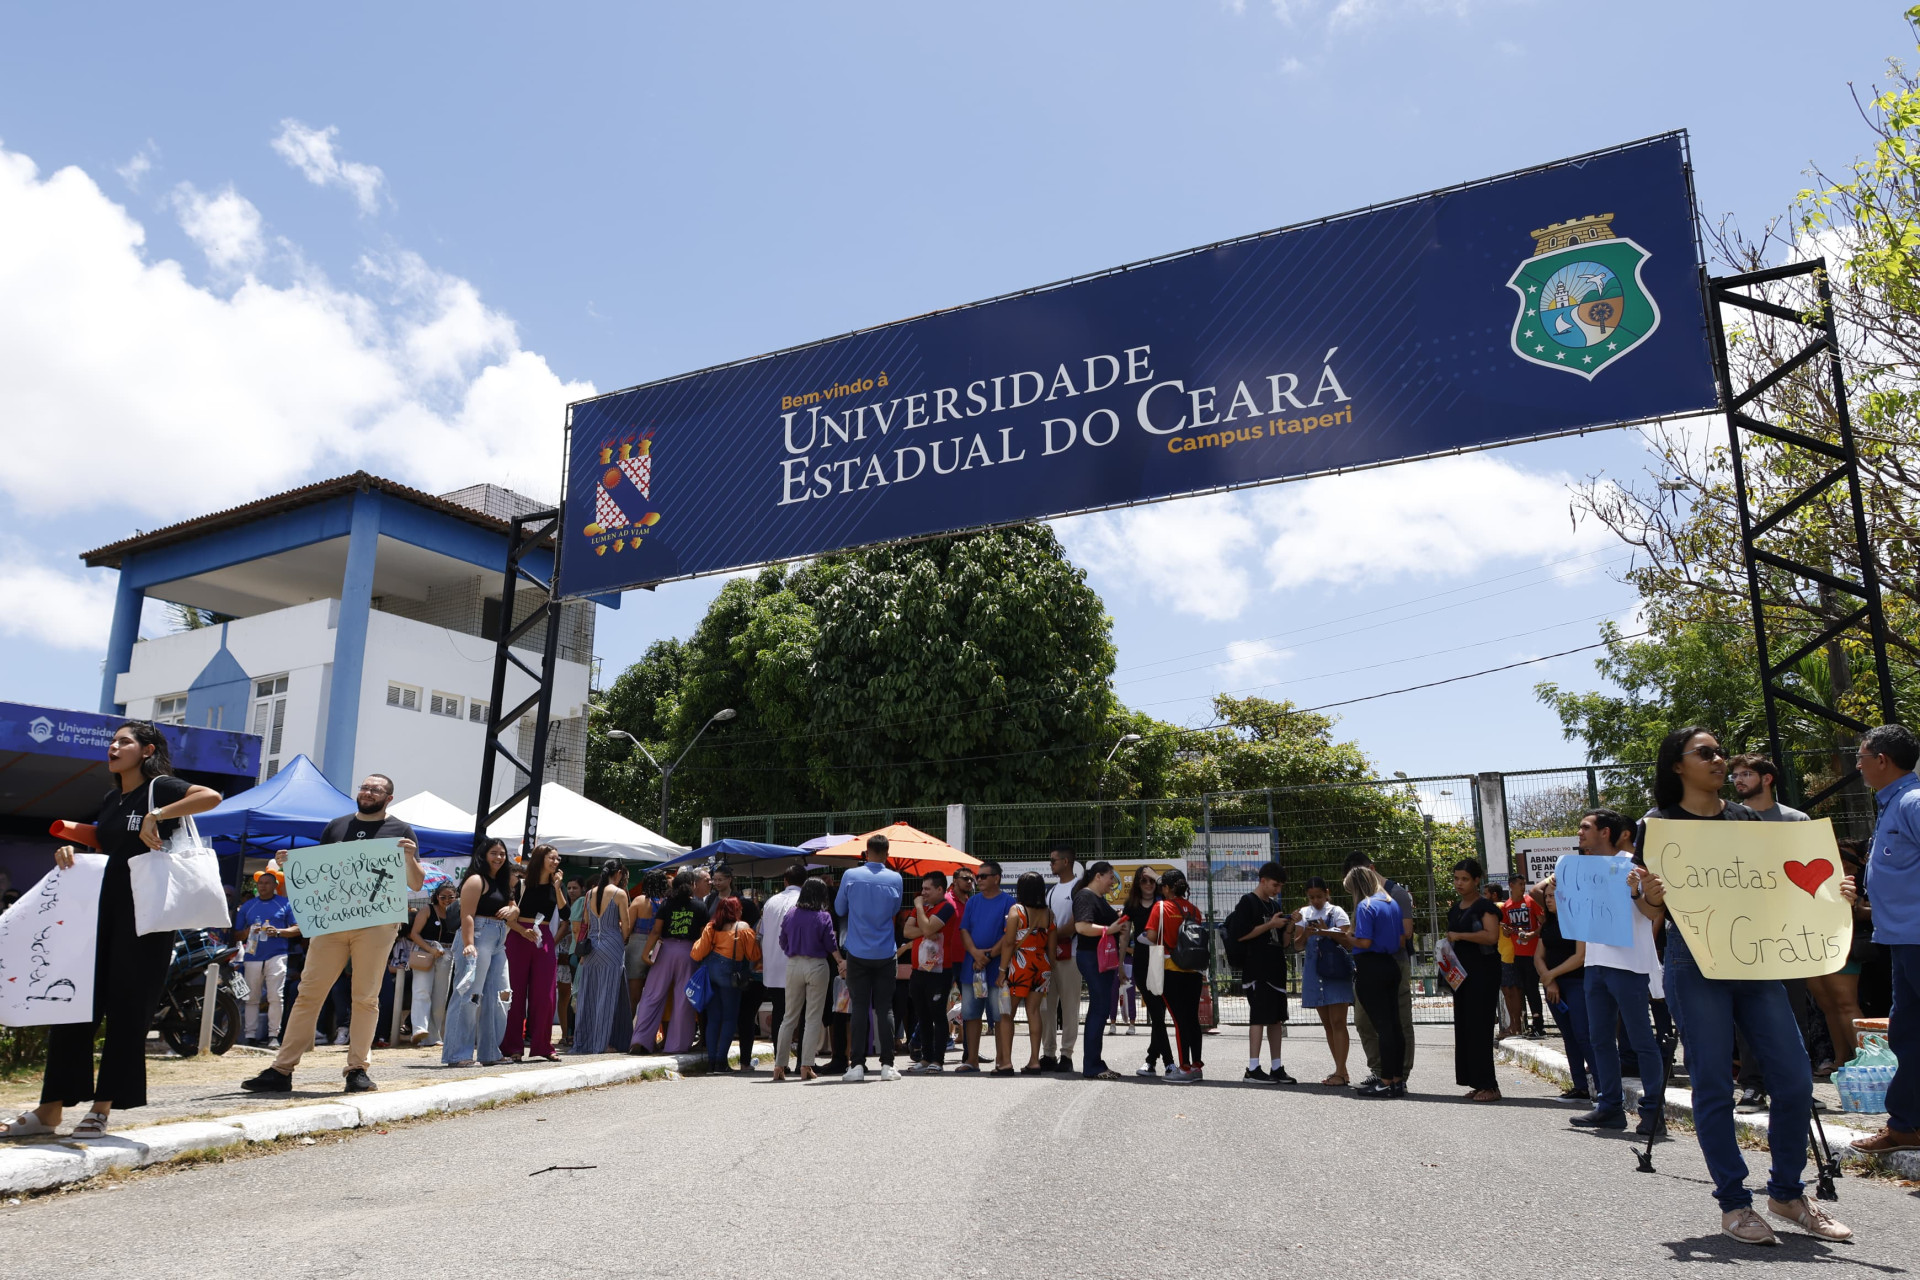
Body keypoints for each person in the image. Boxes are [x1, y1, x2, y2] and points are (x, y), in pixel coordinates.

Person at [1641, 726, 1857, 1243]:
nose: (1719, 760)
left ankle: (1786, 1194)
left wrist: (1833, 896)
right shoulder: (1658, 825)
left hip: (1756, 963)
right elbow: (1652, 913)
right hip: (1694, 962)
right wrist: (1651, 895)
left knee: (1796, 1079)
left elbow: (1777, 891)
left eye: (1720, 752)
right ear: (1677, 765)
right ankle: (1735, 1204)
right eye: (1706, 753)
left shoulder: (1747, 820)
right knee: (1714, 1083)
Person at [7, 723, 223, 1139]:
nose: (113, 746)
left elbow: (210, 797)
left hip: (146, 918)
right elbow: (109, 848)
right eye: (113, 741)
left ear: (147, 751)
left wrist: (157, 815)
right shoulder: (111, 799)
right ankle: (50, 1110)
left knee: (128, 1011)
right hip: (100, 913)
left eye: (125, 741)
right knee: (73, 1006)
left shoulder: (160, 788)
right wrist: (72, 849)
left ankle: (102, 1108)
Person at [242, 774, 426, 1096]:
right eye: (364, 787)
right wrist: (292, 865)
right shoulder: (336, 826)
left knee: (365, 997)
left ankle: (357, 1070)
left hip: (377, 924)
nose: (368, 792)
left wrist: (409, 858)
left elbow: (416, 883)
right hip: (332, 923)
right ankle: (281, 1069)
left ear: (389, 798)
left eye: (376, 790)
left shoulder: (401, 830)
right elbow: (319, 873)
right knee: (308, 993)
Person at [1566, 807, 1667, 1138]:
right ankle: (1610, 1107)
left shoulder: (1634, 866)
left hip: (1629, 964)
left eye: (1586, 827)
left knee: (1640, 1039)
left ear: (1605, 832)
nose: (1580, 833)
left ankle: (1653, 1111)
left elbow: (1652, 912)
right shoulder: (1583, 869)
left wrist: (1636, 890)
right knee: (1599, 1039)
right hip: (1595, 963)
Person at [1852, 723, 1920, 1158]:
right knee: (1907, 1035)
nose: (1857, 765)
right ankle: (1906, 1126)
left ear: (1882, 760)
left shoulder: (1913, 802)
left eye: (1861, 757)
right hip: (1901, 941)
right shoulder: (1892, 804)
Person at [438, 838, 518, 1068]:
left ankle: (490, 1052)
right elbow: (467, 915)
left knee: (500, 995)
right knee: (469, 995)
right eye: (494, 853)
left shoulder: (503, 881)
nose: (499, 857)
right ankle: (457, 1054)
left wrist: (512, 910)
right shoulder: (475, 880)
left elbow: (515, 907)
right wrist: (469, 943)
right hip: (478, 936)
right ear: (483, 855)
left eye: (502, 853)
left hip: (499, 940)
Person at [1340, 851, 1416, 1090]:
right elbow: (1400, 937)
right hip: (1390, 965)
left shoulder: (1366, 905)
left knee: (1385, 1026)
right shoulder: (1390, 902)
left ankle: (1386, 1078)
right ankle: (1394, 1078)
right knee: (1391, 1024)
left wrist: (1349, 938)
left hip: (1372, 967)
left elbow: (1364, 941)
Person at [835, 833, 904, 1082]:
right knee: (885, 1008)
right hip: (886, 951)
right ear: (887, 854)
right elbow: (895, 910)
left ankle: (857, 1065)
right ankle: (887, 1065)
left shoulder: (850, 876)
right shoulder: (896, 878)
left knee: (860, 1008)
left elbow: (840, 908)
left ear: (866, 853)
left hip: (857, 951)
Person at [1224, 861, 1294, 1084]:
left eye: (1280, 886)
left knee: (1276, 1020)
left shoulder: (1274, 906)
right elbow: (1240, 935)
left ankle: (1277, 1066)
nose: (1277, 890)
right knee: (1259, 1017)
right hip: (1257, 969)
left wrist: (1290, 925)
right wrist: (1270, 925)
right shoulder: (1248, 902)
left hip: (1276, 969)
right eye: (1275, 885)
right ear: (1262, 881)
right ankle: (1253, 1068)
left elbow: (1283, 943)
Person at [1443, 858, 1504, 1102]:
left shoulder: (1485, 907)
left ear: (1477, 880)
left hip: (1483, 973)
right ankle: (1477, 1082)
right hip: (1461, 975)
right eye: (1456, 878)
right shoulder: (1455, 908)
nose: (1459, 883)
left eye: (1465, 879)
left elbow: (1491, 937)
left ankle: (1490, 1085)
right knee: (1466, 1027)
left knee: (1480, 1027)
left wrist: (1460, 936)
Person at [1530, 874, 1593, 1100]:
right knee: (1569, 1035)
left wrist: (1550, 975)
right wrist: (1550, 981)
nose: (1548, 900)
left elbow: (1580, 956)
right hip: (1554, 987)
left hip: (1577, 982)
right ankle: (1580, 1086)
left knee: (1582, 1033)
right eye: (1547, 896)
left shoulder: (1578, 920)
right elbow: (1538, 956)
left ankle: (1602, 1086)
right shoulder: (1547, 924)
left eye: (1553, 896)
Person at [631, 870, 707, 1054]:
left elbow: (656, 931)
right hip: (689, 953)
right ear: (693, 885)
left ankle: (641, 1040)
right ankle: (677, 1045)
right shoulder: (700, 906)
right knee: (683, 999)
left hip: (665, 951)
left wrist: (645, 954)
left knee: (652, 994)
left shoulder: (666, 904)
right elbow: (703, 936)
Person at [501, 843, 563, 1062]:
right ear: (540, 859)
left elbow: (565, 913)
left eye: (557, 859)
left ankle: (543, 1046)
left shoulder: (556, 886)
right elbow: (507, 916)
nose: (556, 862)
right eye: (552, 858)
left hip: (543, 937)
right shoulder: (520, 884)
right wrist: (522, 931)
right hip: (519, 936)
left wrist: (558, 888)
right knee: (515, 994)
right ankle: (512, 1047)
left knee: (545, 994)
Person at [775, 876, 840, 1083]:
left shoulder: (791, 914)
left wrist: (792, 950)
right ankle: (806, 1065)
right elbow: (830, 943)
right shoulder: (823, 916)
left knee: (789, 1017)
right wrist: (840, 961)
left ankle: (779, 1066)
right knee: (813, 1018)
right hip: (817, 965)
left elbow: (782, 940)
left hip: (794, 964)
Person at [1146, 867, 1207, 1083]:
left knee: (1179, 1020)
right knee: (1192, 1019)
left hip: (1171, 969)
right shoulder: (1195, 910)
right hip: (1194, 971)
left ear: (1166, 888)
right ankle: (1196, 1066)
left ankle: (1184, 1068)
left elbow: (1151, 936)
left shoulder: (1161, 907)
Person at [1069, 861, 1128, 1081]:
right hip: (1092, 958)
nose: (1113, 882)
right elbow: (1082, 927)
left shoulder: (1098, 898)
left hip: (1100, 958)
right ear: (1098, 876)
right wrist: (1109, 929)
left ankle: (1094, 1063)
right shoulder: (1085, 896)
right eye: (1111, 877)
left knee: (1101, 1009)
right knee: (1099, 1008)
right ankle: (1092, 1065)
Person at [1295, 876, 1354, 1086]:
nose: (1316, 901)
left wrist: (1326, 931)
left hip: (1335, 971)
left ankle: (1341, 1071)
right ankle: (1341, 1070)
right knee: (1328, 1024)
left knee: (1339, 1022)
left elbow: (1348, 941)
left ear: (1327, 893)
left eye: (1319, 896)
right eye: (1311, 897)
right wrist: (1306, 933)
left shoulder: (1336, 912)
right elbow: (1297, 946)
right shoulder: (1304, 913)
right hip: (1315, 971)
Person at [900, 869, 960, 1073]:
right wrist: (926, 929)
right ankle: (926, 1058)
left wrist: (919, 910)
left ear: (940, 889)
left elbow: (926, 929)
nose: (923, 893)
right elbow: (907, 931)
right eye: (922, 889)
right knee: (922, 1015)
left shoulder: (947, 907)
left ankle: (938, 1060)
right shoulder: (923, 908)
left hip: (939, 971)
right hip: (919, 970)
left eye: (927, 889)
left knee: (937, 1015)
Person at [958, 860, 1016, 1075]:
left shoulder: (1009, 902)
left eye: (983, 876)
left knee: (1001, 1015)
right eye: (977, 876)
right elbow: (964, 930)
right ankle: (972, 1060)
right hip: (972, 967)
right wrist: (975, 953)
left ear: (996, 878)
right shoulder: (973, 902)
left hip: (997, 968)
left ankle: (1002, 1060)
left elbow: (1009, 936)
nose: (978, 880)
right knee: (971, 1014)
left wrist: (989, 955)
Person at [691, 896, 760, 1071]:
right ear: (735, 910)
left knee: (713, 1018)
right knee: (729, 1018)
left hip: (710, 974)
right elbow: (754, 955)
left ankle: (712, 1062)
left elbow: (696, 953)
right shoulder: (743, 928)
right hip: (730, 975)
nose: (742, 910)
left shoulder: (711, 927)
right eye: (739, 908)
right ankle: (721, 1062)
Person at [571, 859, 632, 1055]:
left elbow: (586, 921)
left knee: (590, 994)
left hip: (592, 946)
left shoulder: (590, 893)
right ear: (619, 873)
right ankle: (603, 1042)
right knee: (608, 994)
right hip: (612, 944)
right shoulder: (619, 893)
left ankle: (586, 1040)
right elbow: (626, 924)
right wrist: (623, 939)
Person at [999, 871, 1056, 1073]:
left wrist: (1002, 970)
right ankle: (1034, 1061)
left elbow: (1008, 943)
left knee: (1007, 1013)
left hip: (1020, 964)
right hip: (1042, 964)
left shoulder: (1017, 911)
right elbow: (1052, 948)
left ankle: (1006, 1063)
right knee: (1034, 1012)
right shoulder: (1049, 914)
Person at [234, 867, 296, 1047]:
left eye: (267, 883)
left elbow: (298, 928)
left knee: (275, 996)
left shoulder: (285, 903)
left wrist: (278, 932)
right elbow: (236, 934)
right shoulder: (248, 906)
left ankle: (273, 1036)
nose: (263, 886)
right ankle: (250, 1036)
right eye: (260, 883)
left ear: (275, 885)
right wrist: (247, 931)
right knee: (251, 998)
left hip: (277, 954)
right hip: (252, 956)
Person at [757, 864, 805, 1075]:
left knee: (780, 1013)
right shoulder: (805, 901)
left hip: (774, 966)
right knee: (802, 1014)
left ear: (785, 881)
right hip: (797, 964)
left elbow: (761, 933)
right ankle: (803, 1060)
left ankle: (780, 1061)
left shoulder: (770, 902)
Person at [1041, 842, 1083, 1074]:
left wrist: (1052, 936)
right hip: (1050, 956)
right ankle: (1048, 1053)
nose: (1051, 864)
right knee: (1046, 1007)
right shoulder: (1052, 890)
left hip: (1071, 956)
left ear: (1066, 862)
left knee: (1069, 1007)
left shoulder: (1079, 888)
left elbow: (1077, 924)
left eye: (1053, 860)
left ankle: (1066, 1055)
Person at [407, 884, 458, 1046]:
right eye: (443, 897)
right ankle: (419, 1029)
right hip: (425, 952)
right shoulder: (427, 910)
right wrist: (430, 949)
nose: (447, 900)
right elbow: (414, 934)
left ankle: (433, 1036)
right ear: (436, 897)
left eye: (451, 897)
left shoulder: (457, 913)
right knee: (422, 990)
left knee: (440, 997)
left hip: (447, 954)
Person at [1500, 875, 1544, 1039]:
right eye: (1520, 884)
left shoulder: (1531, 901)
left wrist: (1533, 934)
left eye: (1524, 883)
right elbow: (1506, 931)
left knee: (1532, 989)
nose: (1523, 887)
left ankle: (1539, 1025)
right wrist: (1506, 930)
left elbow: (1543, 923)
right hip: (1518, 955)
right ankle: (1524, 1025)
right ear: (1511, 885)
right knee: (1522, 989)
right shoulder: (1507, 906)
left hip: (1533, 953)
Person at [1729, 753, 1809, 822]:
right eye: (1734, 776)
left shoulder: (1796, 820)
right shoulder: (1728, 819)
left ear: (1767, 779)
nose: (1738, 780)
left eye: (1746, 774)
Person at [626, 869, 664, 1015]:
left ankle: (628, 1027)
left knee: (633, 997)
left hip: (636, 947)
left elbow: (627, 928)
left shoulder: (639, 900)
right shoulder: (666, 902)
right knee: (654, 996)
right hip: (659, 947)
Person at [555, 876, 582, 1042]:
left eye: (575, 888)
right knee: (564, 996)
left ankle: (574, 1032)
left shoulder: (584, 906)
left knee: (576, 995)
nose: (571, 891)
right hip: (561, 954)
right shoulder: (561, 907)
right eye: (569, 888)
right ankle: (565, 1034)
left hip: (577, 955)